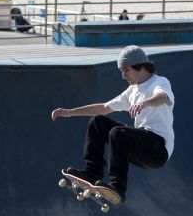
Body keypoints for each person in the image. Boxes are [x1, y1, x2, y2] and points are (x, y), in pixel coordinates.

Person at [51, 45, 174, 204]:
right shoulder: (132, 91)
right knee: (98, 121)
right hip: (140, 145)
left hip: (158, 149)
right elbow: (104, 107)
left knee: (118, 133)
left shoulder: (159, 82)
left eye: (126, 70)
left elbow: (163, 97)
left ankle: (118, 188)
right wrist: (69, 112)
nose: (123, 76)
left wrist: (145, 103)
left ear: (140, 66)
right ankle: (92, 172)